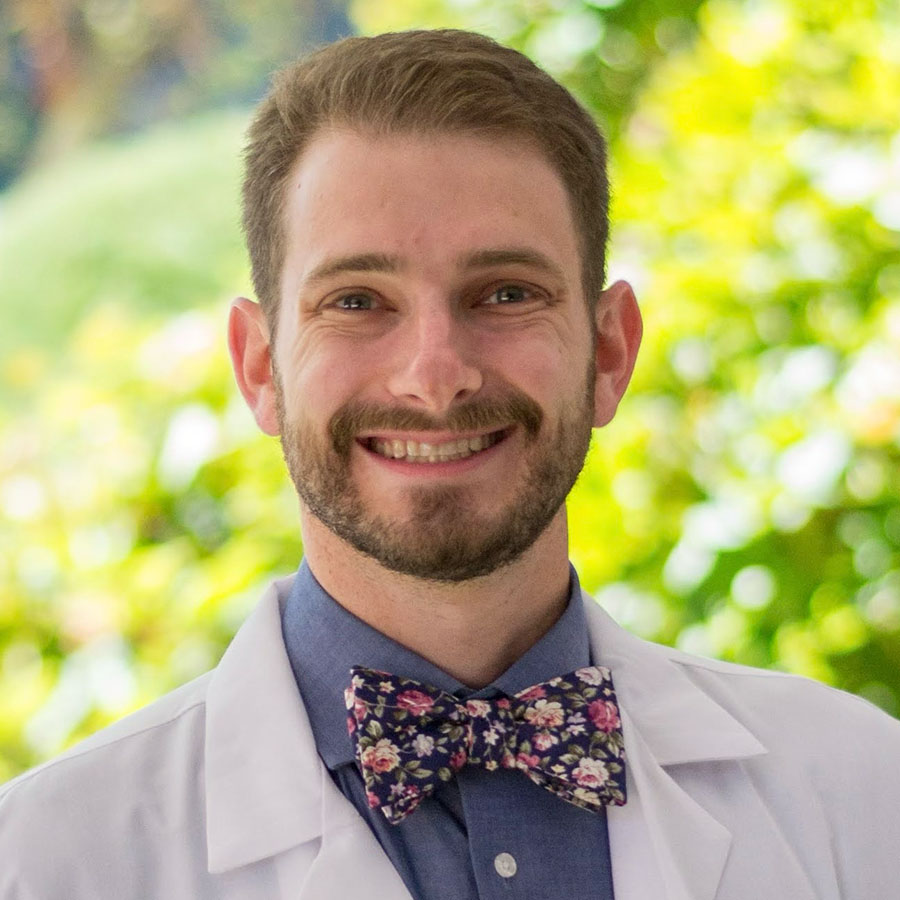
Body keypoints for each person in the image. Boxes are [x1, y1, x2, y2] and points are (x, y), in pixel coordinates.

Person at [1, 28, 899, 900]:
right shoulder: (47, 861)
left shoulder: (861, 794)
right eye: (357, 301)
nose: (436, 378)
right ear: (260, 367)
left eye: (506, 293)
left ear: (610, 352)